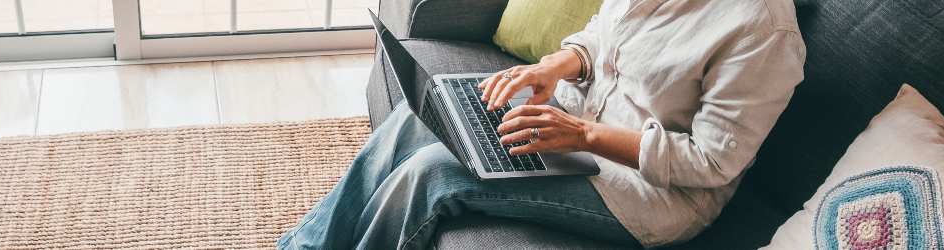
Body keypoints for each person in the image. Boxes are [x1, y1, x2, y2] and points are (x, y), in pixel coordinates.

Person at [277, 0, 806, 248]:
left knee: (437, 172)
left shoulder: (762, 29)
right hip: (571, 118)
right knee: (413, 120)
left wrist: (584, 137)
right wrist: (560, 63)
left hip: (645, 189)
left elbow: (711, 162)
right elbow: (605, 33)